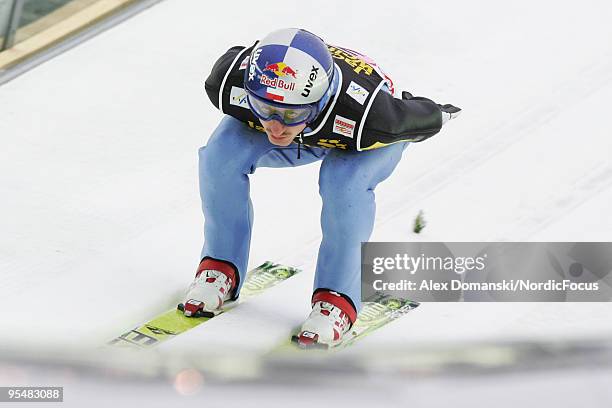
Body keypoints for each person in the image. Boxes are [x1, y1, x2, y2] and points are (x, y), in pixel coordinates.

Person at [181, 28, 461, 347]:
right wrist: (280, 115)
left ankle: (337, 299)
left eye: (290, 113)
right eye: (263, 109)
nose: (275, 126)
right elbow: (247, 74)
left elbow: (412, 118)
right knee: (220, 156)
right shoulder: (227, 83)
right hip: (317, 127)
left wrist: (440, 114)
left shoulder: (374, 117)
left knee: (343, 183)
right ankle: (219, 266)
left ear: (318, 102)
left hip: (359, 134)